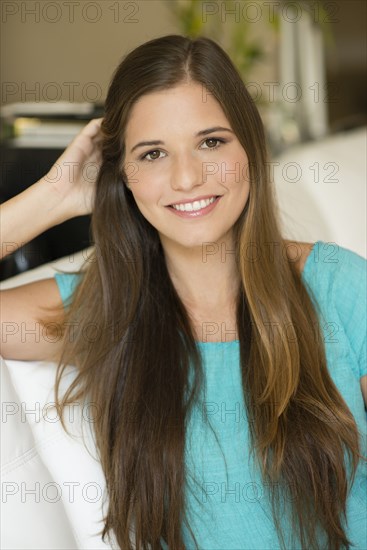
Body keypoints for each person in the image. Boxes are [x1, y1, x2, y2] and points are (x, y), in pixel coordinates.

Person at [1, 34, 366, 550]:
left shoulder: (341, 287)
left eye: (212, 142)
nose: (188, 176)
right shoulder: (108, 309)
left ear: (250, 147)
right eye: (152, 154)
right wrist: (52, 197)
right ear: (122, 174)